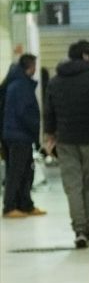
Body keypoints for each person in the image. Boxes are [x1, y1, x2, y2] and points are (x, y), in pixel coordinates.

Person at [44, 40, 89, 248]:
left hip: (65, 140)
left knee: (73, 186)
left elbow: (49, 113)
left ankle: (79, 230)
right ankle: (88, 230)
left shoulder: (55, 81)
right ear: (85, 55)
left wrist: (51, 134)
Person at [3, 54, 46, 218]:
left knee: (26, 172)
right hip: (19, 136)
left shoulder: (19, 83)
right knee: (16, 173)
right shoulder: (21, 85)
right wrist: (35, 128)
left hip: (20, 135)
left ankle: (25, 205)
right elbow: (24, 112)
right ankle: (10, 206)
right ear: (30, 66)